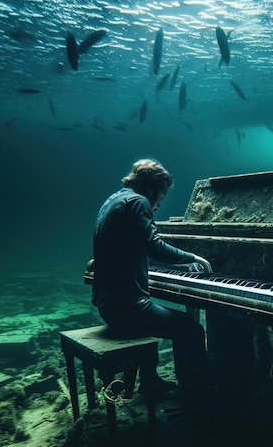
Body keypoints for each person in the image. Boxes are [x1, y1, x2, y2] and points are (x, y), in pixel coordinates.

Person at [91, 158, 213, 404]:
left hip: (108, 305)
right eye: (161, 195)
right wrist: (194, 259)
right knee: (191, 329)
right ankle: (198, 395)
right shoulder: (139, 202)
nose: (157, 205)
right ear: (152, 187)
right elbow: (154, 247)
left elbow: (133, 247)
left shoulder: (114, 200)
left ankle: (149, 380)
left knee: (158, 315)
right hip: (127, 310)